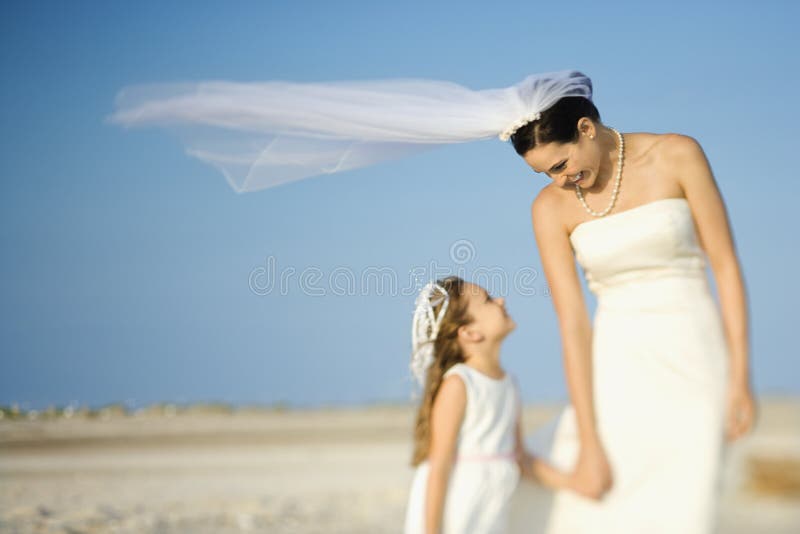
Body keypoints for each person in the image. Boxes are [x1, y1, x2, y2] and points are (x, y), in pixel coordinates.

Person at [509, 95, 756, 533]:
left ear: (586, 128)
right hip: (617, 366)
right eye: (547, 171)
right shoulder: (549, 208)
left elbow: (726, 266)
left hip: (695, 356)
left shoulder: (679, 154)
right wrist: (588, 440)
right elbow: (573, 323)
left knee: (688, 504)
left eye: (562, 163)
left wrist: (740, 377)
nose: (562, 179)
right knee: (603, 507)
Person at [405, 277, 567, 534]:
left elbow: (521, 457)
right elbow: (440, 467)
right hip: (459, 505)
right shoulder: (459, 384)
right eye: (489, 300)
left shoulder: (509, 384)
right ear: (470, 333)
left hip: (491, 507)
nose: (501, 300)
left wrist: (573, 484)